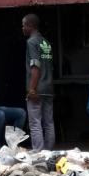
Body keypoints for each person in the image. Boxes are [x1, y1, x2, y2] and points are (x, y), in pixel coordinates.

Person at [22, 13, 55, 150]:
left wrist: (32, 89)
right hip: (48, 88)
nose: (22, 28)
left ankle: (39, 154)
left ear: (30, 26)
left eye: (24, 25)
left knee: (35, 123)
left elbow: (35, 67)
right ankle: (49, 152)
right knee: (49, 122)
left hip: (37, 89)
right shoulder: (45, 42)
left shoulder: (31, 42)